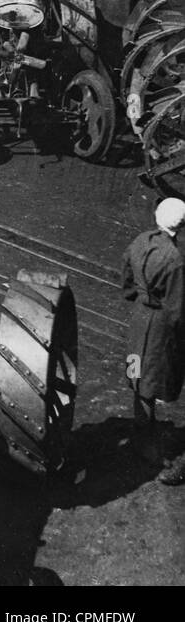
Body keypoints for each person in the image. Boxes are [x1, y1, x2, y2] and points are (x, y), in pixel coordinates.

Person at [122, 199, 185, 484]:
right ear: (181, 226)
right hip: (159, 325)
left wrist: (138, 299)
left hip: (140, 316)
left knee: (138, 376)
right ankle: (145, 440)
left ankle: (141, 428)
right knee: (152, 379)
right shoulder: (174, 259)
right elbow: (176, 310)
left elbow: (126, 280)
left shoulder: (140, 241)